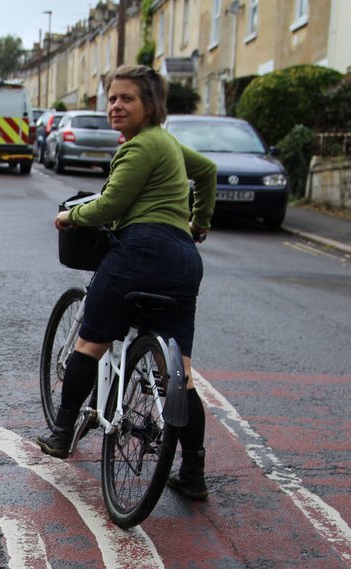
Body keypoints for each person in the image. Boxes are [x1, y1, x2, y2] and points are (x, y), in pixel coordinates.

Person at [38, 64, 217, 502]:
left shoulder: (139, 148)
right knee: (181, 375)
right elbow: (208, 170)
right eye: (112, 98)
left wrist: (68, 216)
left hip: (139, 253)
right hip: (183, 261)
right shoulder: (168, 144)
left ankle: (61, 433)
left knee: (89, 343)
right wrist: (199, 223)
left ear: (151, 105)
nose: (116, 105)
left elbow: (110, 205)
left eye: (127, 98)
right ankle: (193, 472)